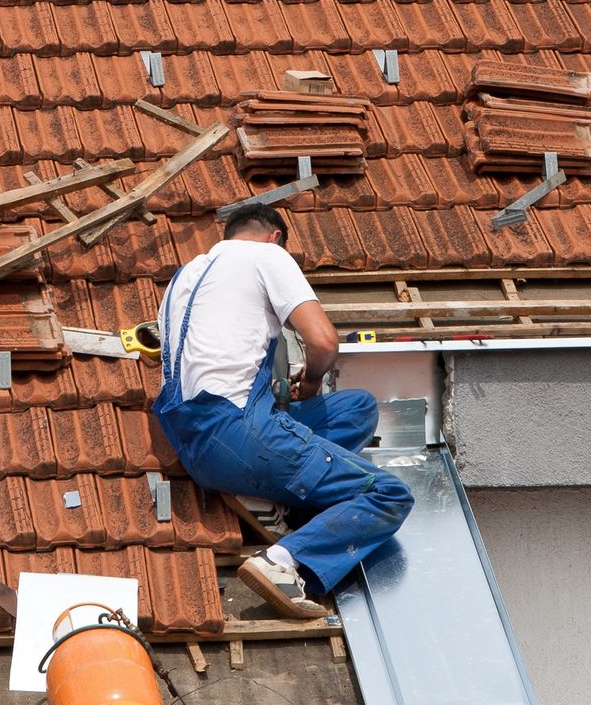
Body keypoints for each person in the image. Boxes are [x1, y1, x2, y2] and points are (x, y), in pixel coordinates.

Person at [149, 204, 414, 619]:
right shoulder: (268, 255)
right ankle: (282, 562)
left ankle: (260, 493)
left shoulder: (185, 274)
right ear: (275, 236)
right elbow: (323, 343)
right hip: (240, 432)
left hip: (192, 436)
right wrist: (309, 382)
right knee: (388, 493)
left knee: (356, 408)